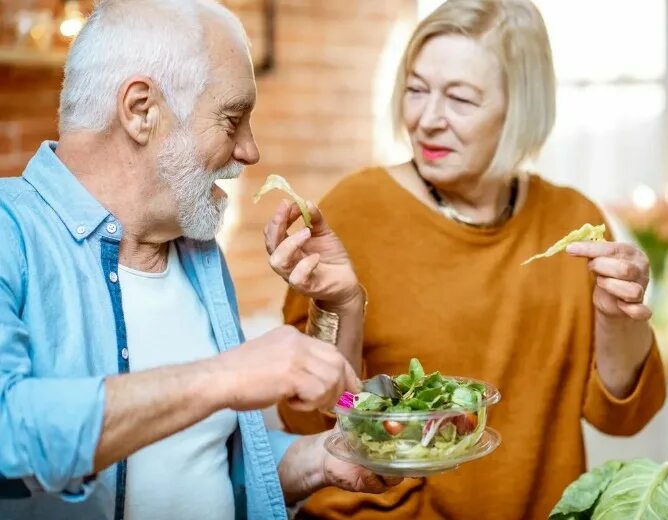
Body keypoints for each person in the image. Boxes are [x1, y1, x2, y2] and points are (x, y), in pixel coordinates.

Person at [0, 1, 399, 519]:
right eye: (233, 119)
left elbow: (204, 468)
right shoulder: (11, 232)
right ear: (141, 110)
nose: (251, 151)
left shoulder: (196, 257)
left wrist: (322, 460)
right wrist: (224, 376)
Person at [268, 0, 667, 518]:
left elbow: (624, 419)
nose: (427, 119)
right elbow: (314, 424)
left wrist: (618, 317)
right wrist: (341, 310)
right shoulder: (354, 210)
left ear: (521, 107)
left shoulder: (573, 221)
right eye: (415, 89)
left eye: (460, 98)